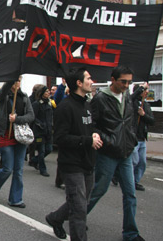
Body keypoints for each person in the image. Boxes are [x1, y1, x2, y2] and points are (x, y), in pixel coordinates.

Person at [87, 66, 145, 241]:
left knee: (130, 193)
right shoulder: (100, 99)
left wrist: (131, 138)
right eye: (123, 81)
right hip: (108, 153)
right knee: (99, 189)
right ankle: (76, 215)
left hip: (126, 152)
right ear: (113, 80)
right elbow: (92, 124)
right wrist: (107, 140)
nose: (127, 85)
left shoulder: (127, 96)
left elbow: (129, 120)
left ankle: (130, 233)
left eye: (129, 82)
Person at [45, 68, 102, 240]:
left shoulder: (87, 104)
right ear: (79, 83)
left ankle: (55, 218)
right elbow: (60, 138)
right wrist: (86, 140)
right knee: (79, 210)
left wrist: (95, 134)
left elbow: (90, 128)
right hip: (71, 165)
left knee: (80, 203)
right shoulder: (65, 107)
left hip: (88, 162)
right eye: (89, 78)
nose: (92, 82)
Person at [0, 77, 34, 208]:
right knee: (8, 168)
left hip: (20, 137)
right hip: (5, 136)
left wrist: (17, 119)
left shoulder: (24, 97)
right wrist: (12, 74)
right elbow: (4, 89)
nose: (17, 83)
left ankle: (15, 199)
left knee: (18, 170)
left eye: (19, 80)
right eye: (14, 80)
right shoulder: (3, 96)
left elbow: (31, 116)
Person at [131, 83, 154, 191]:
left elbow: (152, 121)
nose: (146, 92)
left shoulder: (146, 105)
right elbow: (131, 98)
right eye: (145, 90)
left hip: (142, 138)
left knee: (142, 162)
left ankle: (135, 181)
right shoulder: (132, 103)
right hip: (133, 137)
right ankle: (119, 175)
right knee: (134, 160)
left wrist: (143, 115)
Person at [31, 85, 53, 177]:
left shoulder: (49, 103)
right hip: (40, 132)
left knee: (49, 149)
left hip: (48, 131)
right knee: (42, 151)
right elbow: (33, 117)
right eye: (46, 91)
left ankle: (34, 160)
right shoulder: (36, 104)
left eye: (48, 91)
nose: (48, 93)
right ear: (42, 93)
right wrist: (40, 124)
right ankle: (42, 169)